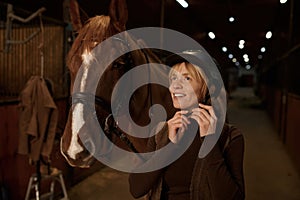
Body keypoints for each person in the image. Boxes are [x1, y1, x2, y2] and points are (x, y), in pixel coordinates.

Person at [128, 50, 245, 200]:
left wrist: (210, 142)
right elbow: (136, 189)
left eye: (187, 78)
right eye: (173, 79)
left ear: (209, 88)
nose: (174, 87)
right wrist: (169, 147)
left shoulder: (230, 137)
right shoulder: (162, 131)